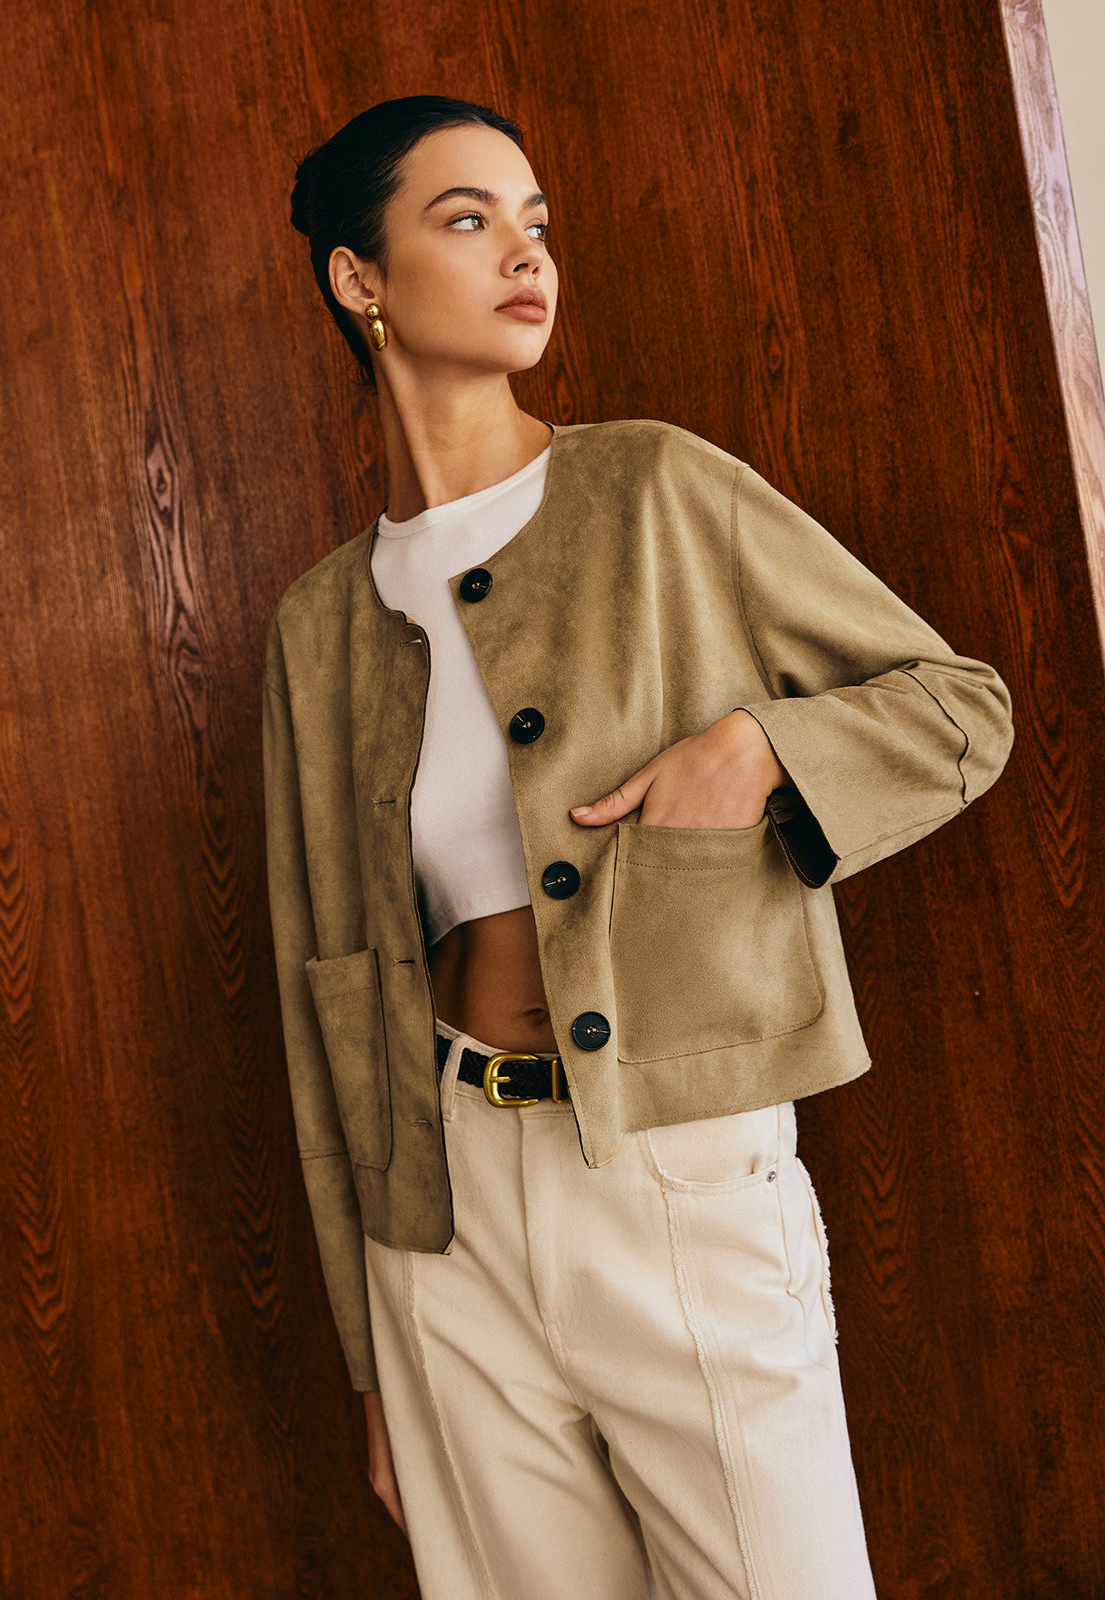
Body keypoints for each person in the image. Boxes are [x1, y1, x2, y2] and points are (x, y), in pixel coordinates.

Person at [265, 95, 1013, 1600]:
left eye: (536, 221)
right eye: (468, 219)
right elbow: (320, 992)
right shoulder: (320, 624)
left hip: (677, 1167)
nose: (527, 253)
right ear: (360, 278)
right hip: (442, 1216)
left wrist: (767, 750)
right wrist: (370, 1357)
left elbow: (961, 710)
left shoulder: (660, 490)